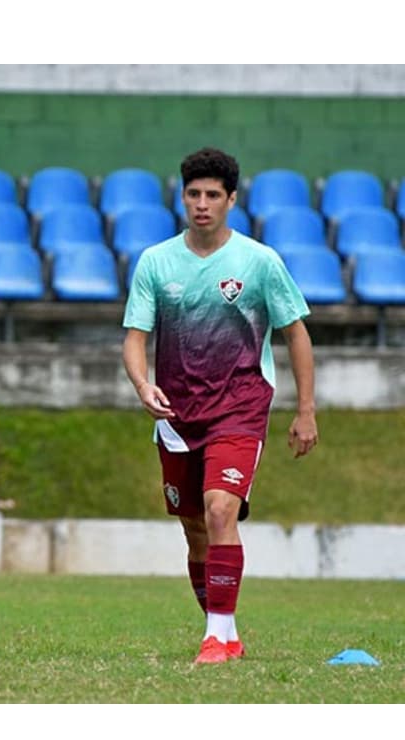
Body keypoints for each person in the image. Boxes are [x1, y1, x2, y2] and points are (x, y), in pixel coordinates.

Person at [122, 147, 319, 665]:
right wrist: (143, 385)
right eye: (193, 194)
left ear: (232, 200)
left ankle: (218, 634)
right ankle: (225, 634)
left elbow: (296, 333)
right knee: (193, 528)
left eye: (213, 195)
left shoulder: (259, 262)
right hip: (176, 415)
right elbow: (135, 338)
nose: (202, 204)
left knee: (219, 509)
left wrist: (306, 410)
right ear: (182, 197)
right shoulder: (156, 262)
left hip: (240, 406)